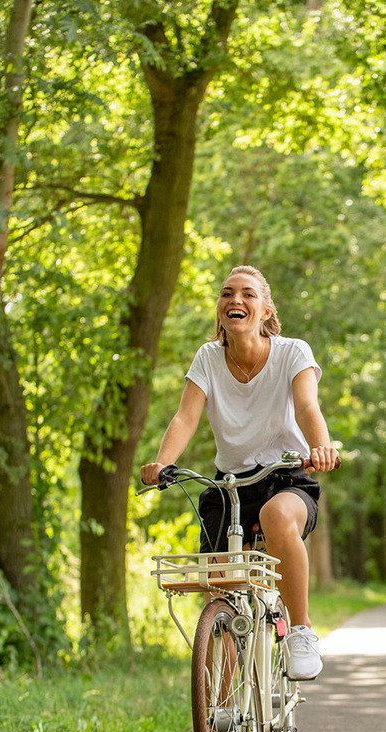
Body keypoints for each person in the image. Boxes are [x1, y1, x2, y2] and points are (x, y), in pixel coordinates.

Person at [141, 265, 340, 681]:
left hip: (286, 477)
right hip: (229, 486)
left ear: (266, 310)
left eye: (248, 294)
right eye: (227, 293)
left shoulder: (292, 351)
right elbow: (184, 417)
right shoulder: (208, 358)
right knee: (223, 595)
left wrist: (320, 446)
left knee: (277, 517)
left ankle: (300, 631)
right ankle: (226, 705)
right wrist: (163, 463)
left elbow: (307, 407)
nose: (236, 300)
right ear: (219, 308)